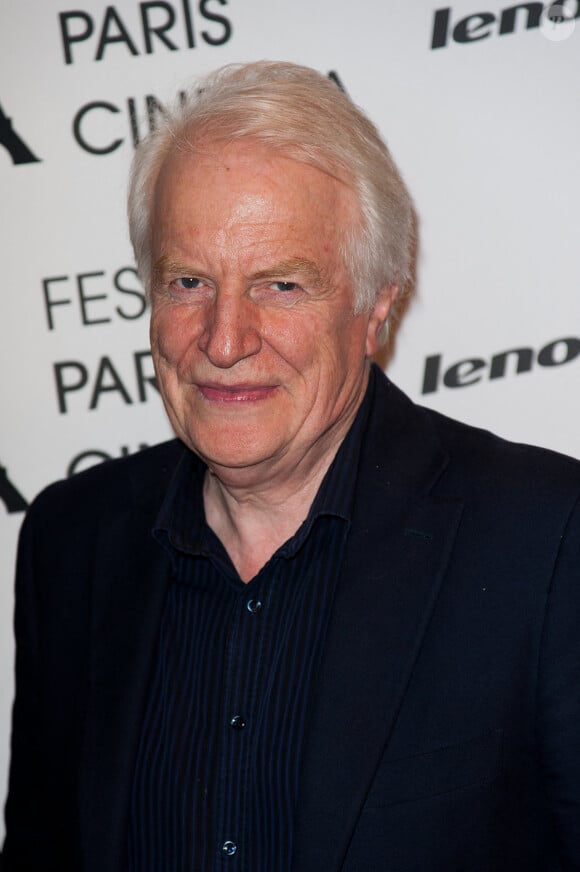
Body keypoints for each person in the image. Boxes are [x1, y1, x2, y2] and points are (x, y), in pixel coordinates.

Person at [2, 61, 580, 872]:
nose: (225, 339)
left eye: (281, 284)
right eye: (189, 281)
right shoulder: (70, 542)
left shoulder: (546, 540)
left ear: (377, 302)